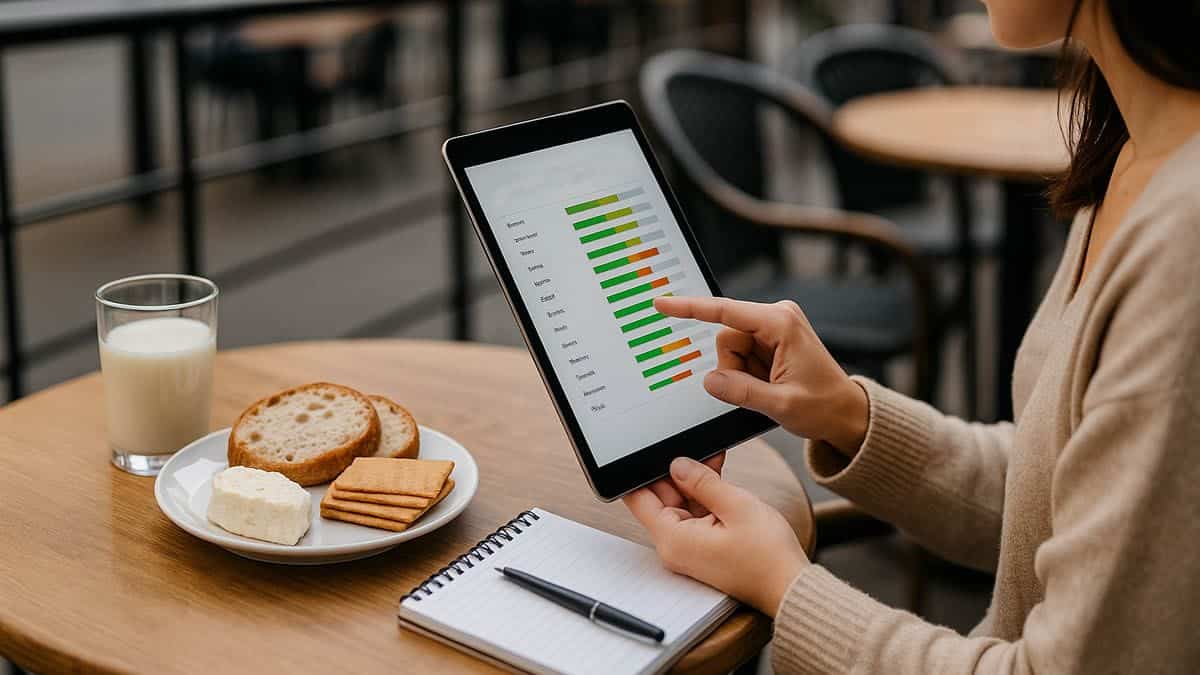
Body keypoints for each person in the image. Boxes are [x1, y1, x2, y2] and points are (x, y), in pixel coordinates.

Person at [624, 1, 1200, 672]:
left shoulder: (1183, 242)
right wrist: (847, 413)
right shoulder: (1131, 147)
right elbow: (1063, 498)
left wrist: (784, 585)